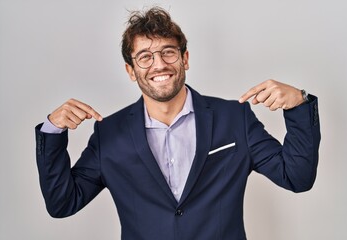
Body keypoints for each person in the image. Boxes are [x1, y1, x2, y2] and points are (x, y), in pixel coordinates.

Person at [35, 7, 320, 240]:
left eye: (168, 52)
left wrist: (298, 103)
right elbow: (63, 203)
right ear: (131, 71)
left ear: (185, 58)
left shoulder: (234, 118)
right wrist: (53, 131)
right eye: (145, 57)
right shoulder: (110, 133)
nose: (159, 64)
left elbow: (296, 177)